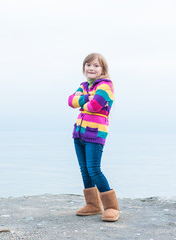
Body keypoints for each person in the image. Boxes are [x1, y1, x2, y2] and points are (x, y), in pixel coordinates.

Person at [68, 53, 119, 222]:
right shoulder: (84, 85)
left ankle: (111, 207)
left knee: (94, 169)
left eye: (96, 65)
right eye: (88, 65)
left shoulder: (106, 86)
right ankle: (93, 205)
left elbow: (95, 105)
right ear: (84, 68)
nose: (91, 68)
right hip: (79, 134)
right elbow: (70, 101)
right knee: (84, 171)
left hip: (95, 134)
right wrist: (85, 99)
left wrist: (82, 101)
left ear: (103, 69)